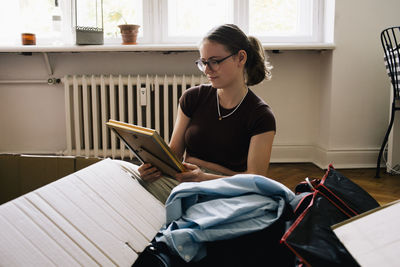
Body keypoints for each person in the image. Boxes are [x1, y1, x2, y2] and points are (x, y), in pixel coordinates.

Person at [138, 24, 276, 203]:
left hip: (227, 188)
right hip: (187, 180)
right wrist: (152, 168)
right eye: (203, 62)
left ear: (240, 58)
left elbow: (255, 181)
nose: (208, 70)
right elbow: (174, 155)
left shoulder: (261, 115)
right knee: (131, 180)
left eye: (215, 61)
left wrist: (202, 178)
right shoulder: (192, 97)